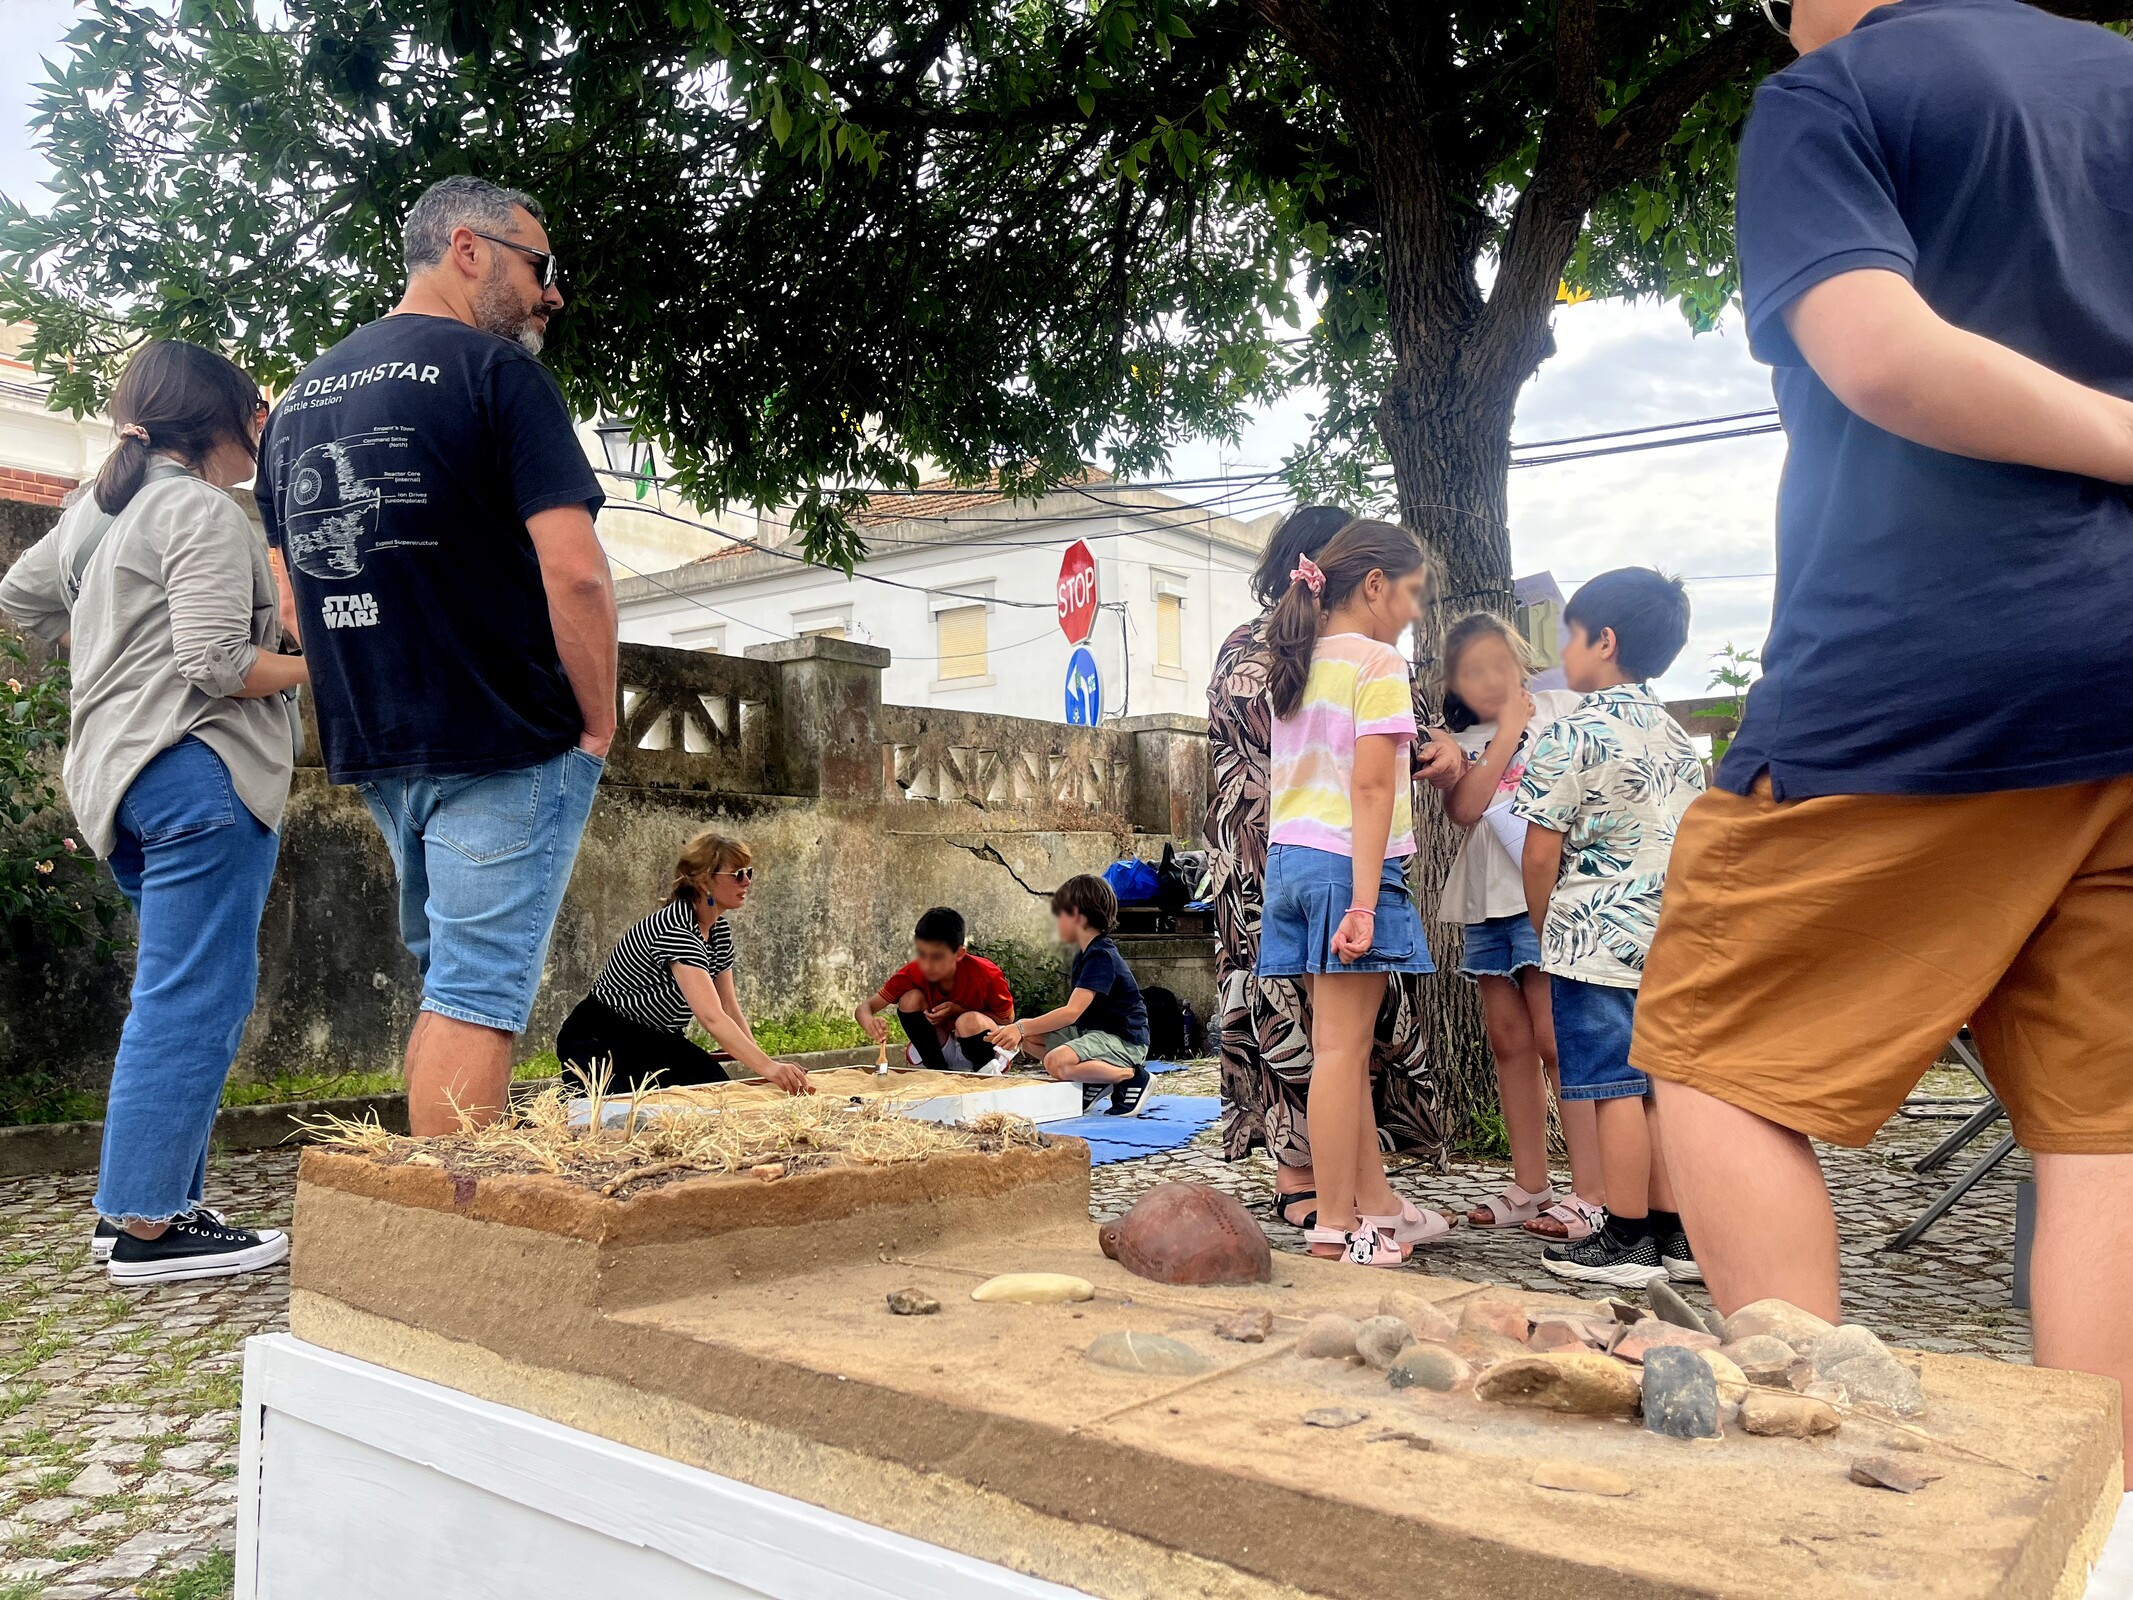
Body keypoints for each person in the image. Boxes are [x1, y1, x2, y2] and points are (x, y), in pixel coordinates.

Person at [1630, 0, 2133, 1477]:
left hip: (1923, 669)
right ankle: (2099, 1529)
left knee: (1713, 1046)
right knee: (2107, 1122)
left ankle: (1815, 1476)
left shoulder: (1831, 95)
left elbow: (1883, 359)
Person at [255, 175, 618, 1135]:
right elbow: (575, 573)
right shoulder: (495, 374)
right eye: (540, 266)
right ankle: (463, 1240)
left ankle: (421, 1214)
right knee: (481, 994)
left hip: (376, 738)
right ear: (470, 248)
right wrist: (596, 723)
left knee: (450, 980)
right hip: (503, 734)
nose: (552, 294)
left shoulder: (294, 404)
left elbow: (292, 594)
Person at [0, 340, 305, 1284]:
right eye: (255, 407)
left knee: (177, 991)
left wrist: (103, 638)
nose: (264, 423)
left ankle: (148, 1204)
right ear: (217, 416)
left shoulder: (103, 510)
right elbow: (221, 665)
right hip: (200, 774)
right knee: (193, 997)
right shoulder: (203, 511)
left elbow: (19, 595)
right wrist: (328, 669)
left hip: (122, 784)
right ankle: (149, 1223)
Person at [1204, 505, 1460, 1231]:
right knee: (1324, 1039)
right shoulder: (1338, 653)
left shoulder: (1290, 648)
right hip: (1328, 855)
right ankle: (1326, 1205)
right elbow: (1374, 771)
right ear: (1359, 577)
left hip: (1276, 851)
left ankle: (1360, 1200)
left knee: (1323, 1039)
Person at [1508, 570, 1703, 1289]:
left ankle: (1622, 1238)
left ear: (1605, 641)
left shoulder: (1570, 730)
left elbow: (1538, 848)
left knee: (1613, 1088)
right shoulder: (1677, 737)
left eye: (1570, 637)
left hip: (1593, 939)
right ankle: (1671, 1232)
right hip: (1670, 938)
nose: (1564, 652)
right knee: (1652, 1086)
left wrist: (1543, 921)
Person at [1431, 612, 1602, 1239]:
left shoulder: (1563, 709)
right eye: (1471, 671)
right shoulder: (1464, 738)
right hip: (1487, 900)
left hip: (1548, 897)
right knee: (1509, 1042)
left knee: (1560, 1042)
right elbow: (1466, 807)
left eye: (1497, 662)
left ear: (1520, 659)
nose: (1488, 678)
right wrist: (1504, 733)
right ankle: (1531, 1183)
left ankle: (1593, 1191)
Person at [555, 832, 812, 1096]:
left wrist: (764, 1065)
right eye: (737, 874)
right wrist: (769, 1068)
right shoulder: (677, 929)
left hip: (658, 1041)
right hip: (600, 1037)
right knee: (612, 1115)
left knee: (717, 1094)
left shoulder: (718, 931)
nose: (746, 882)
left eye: (749, 872)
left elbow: (729, 1007)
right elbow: (712, 1017)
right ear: (704, 882)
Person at [989, 876, 1153, 1116]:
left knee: (1055, 1062)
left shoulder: (1101, 957)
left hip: (1124, 1040)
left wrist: (1021, 1027)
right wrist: (1018, 1033)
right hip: (1095, 1033)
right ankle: (1094, 1078)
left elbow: (1072, 1011)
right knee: (1030, 1039)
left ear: (1077, 916)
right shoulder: (1086, 953)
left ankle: (1130, 1076)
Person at [857, 907, 1016, 1073]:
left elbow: (1006, 1019)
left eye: (938, 957)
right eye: (922, 954)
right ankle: (936, 1072)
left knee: (968, 1021)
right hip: (942, 1047)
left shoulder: (985, 974)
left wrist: (958, 1010)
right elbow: (864, 1008)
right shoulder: (913, 972)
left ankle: (986, 1076)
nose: (928, 965)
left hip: (983, 1047)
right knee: (910, 1000)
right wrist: (870, 1023)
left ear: (959, 954)